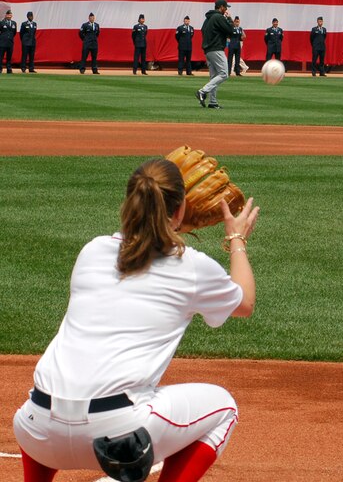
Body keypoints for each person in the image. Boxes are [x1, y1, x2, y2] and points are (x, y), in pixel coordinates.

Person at [13, 157, 260, 482]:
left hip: (36, 429)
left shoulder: (92, 251)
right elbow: (245, 302)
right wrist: (236, 239)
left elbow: (142, 253)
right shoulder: (191, 268)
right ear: (179, 209)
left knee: (53, 404)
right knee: (223, 408)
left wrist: (170, 225)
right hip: (118, 436)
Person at [196, 0, 235, 110]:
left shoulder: (208, 18)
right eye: (225, 7)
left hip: (208, 50)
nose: (226, 9)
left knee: (214, 77)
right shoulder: (218, 17)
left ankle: (213, 102)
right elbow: (230, 31)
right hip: (216, 49)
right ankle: (202, 91)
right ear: (221, 7)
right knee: (224, 74)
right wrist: (229, 19)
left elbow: (203, 30)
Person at [0, 9, 16, 73]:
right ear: (6, 15)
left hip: (10, 42)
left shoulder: (14, 23)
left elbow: (14, 33)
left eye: (10, 15)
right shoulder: (1, 22)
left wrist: (10, 38)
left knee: (9, 57)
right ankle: (0, 69)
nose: (9, 16)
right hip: (2, 42)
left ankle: (9, 69)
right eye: (8, 15)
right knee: (0, 56)